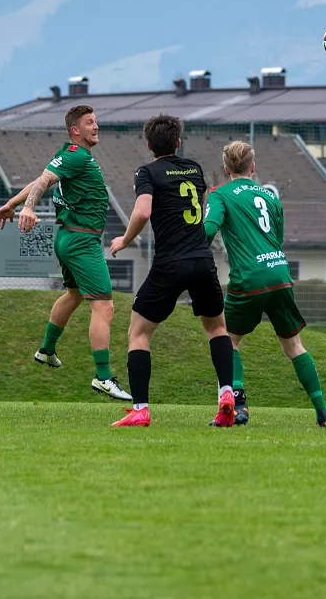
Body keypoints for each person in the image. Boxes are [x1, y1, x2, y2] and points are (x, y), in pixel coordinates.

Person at [0, 104, 131, 400]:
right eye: (90, 122)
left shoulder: (70, 153)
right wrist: (28, 208)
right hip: (81, 241)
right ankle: (103, 377)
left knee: (74, 295)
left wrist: (13, 203)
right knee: (104, 308)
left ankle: (46, 350)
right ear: (75, 130)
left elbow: (41, 178)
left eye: (96, 121)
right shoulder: (77, 155)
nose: (96, 126)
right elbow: (43, 181)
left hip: (68, 237)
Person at [107, 115, 237, 427]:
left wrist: (125, 239)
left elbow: (143, 211)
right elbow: (201, 206)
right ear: (178, 142)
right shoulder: (194, 168)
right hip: (202, 259)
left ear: (148, 145)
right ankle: (226, 394)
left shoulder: (147, 172)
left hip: (170, 263)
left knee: (138, 333)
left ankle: (140, 409)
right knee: (217, 329)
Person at [204, 141, 326, 428]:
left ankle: (239, 405)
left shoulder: (219, 194)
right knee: (294, 346)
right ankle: (323, 414)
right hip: (279, 273)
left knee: (227, 340)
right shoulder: (270, 196)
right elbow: (277, 238)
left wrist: (191, 248)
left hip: (249, 278)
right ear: (253, 167)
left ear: (226, 169)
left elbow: (209, 228)